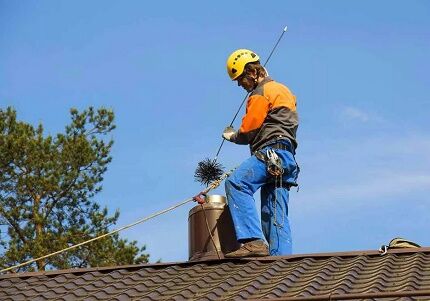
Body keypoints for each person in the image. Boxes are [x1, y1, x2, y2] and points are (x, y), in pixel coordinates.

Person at [222, 49, 299, 257]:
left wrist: (232, 135)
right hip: (286, 159)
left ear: (251, 73)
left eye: (240, 79)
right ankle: (281, 262)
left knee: (236, 183)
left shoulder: (260, 93)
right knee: (275, 214)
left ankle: (252, 241)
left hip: (271, 152)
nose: (240, 85)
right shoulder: (284, 90)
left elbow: (249, 129)